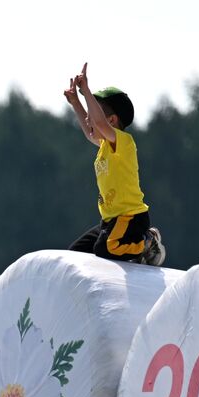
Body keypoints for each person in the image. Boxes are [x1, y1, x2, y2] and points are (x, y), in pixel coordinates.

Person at [63, 65, 166, 265]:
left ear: (111, 120)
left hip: (131, 219)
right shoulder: (104, 145)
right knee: (75, 253)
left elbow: (99, 125)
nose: (88, 118)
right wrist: (76, 102)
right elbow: (90, 129)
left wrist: (86, 92)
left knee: (105, 248)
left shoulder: (124, 142)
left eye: (93, 114)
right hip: (111, 221)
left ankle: (147, 242)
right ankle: (135, 245)